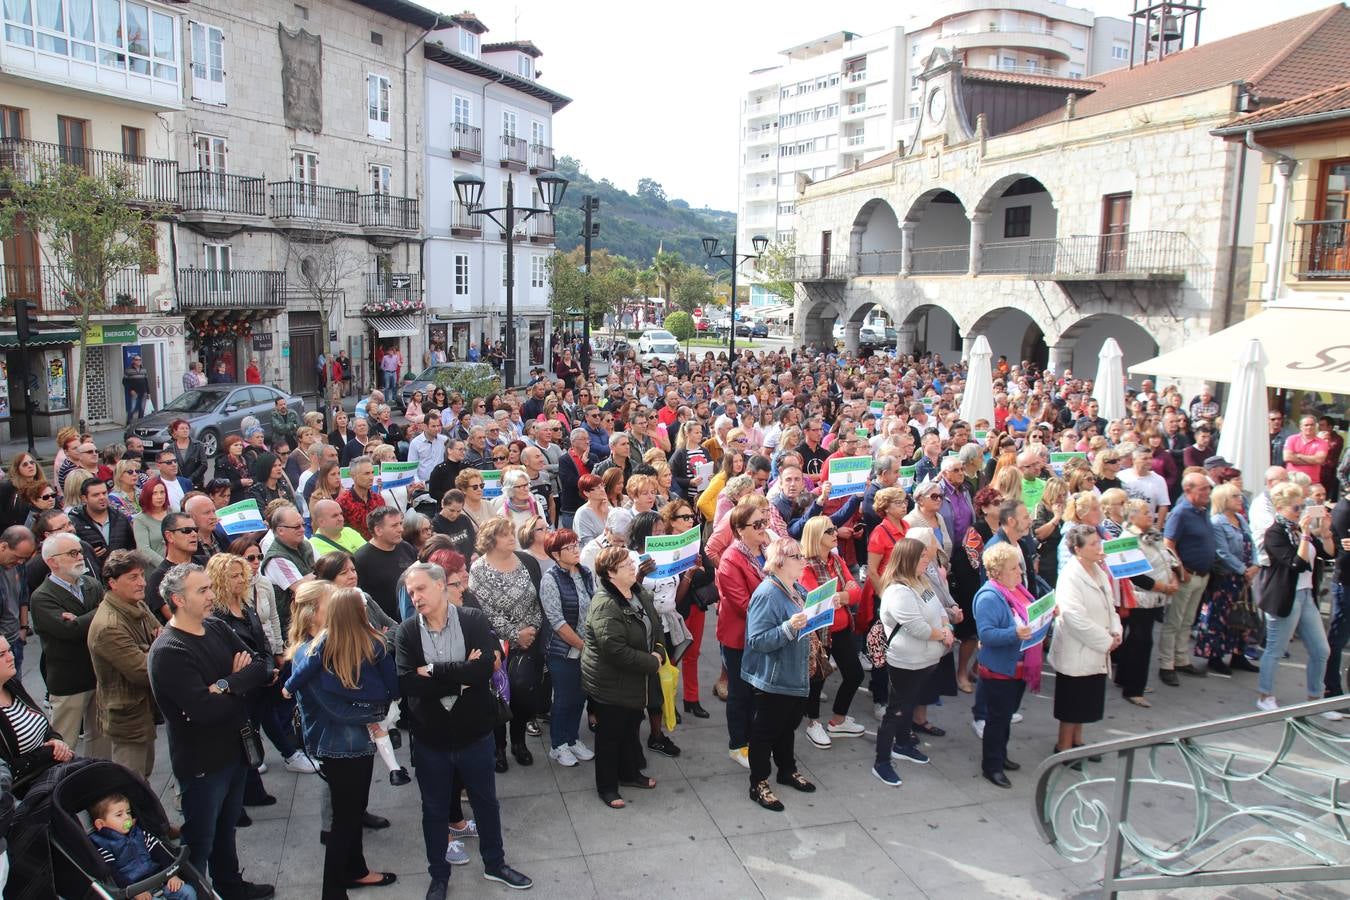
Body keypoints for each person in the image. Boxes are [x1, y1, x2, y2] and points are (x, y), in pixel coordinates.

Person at [395, 562, 532, 896]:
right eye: (411, 592)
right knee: (434, 810)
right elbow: (409, 683)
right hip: (431, 739)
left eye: (421, 589)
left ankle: (495, 864)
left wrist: (434, 671)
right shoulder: (407, 632)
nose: (415, 598)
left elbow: (484, 668)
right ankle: (439, 875)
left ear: (442, 586)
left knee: (486, 803)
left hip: (475, 734)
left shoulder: (472, 618)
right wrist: (459, 679)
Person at [148, 563, 276, 900]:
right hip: (203, 761)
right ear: (177, 599)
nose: (211, 595)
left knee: (226, 826)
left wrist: (222, 686)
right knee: (201, 838)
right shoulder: (169, 651)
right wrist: (236, 684)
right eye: (202, 590)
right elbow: (202, 710)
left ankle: (230, 886)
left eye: (209, 588)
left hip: (234, 748)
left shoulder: (217, 627)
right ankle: (194, 893)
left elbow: (260, 667)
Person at [283, 587, 399, 899]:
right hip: (340, 747)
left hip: (352, 744)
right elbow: (338, 708)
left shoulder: (336, 647)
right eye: (330, 603)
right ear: (311, 614)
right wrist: (376, 712)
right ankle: (333, 891)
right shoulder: (313, 653)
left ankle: (355, 870)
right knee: (345, 819)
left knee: (352, 811)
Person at [580, 545, 662, 810]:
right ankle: (606, 786)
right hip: (611, 684)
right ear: (611, 573)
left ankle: (629, 774)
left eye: (631, 562)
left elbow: (655, 625)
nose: (633, 566)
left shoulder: (638, 592)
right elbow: (614, 650)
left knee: (630, 729)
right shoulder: (605, 604)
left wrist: (659, 650)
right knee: (610, 736)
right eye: (626, 564)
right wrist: (651, 662)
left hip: (635, 681)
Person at [741, 535, 814, 810]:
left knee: (787, 727)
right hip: (773, 678)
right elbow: (757, 640)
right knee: (765, 732)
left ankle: (786, 770)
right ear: (781, 562)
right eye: (798, 556)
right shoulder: (767, 593)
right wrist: (789, 627)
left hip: (794, 674)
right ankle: (758, 782)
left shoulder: (796, 587)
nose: (804, 560)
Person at [468, 517, 542, 772]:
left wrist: (530, 631)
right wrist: (514, 634)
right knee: (497, 695)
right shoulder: (478, 569)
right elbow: (484, 610)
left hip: (530, 639)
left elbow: (538, 599)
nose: (512, 538)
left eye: (512, 533)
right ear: (490, 540)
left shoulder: (528, 561)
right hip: (496, 643)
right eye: (505, 534)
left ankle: (519, 742)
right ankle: (498, 748)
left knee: (523, 694)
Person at [1257, 482, 1336, 713]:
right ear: (1280, 508)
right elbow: (1297, 564)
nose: (1300, 512)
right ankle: (1265, 695)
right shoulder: (1275, 533)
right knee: (1276, 649)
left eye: (1302, 507)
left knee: (1321, 651)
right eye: (1296, 508)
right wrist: (1305, 535)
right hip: (1285, 597)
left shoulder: (1298, 530)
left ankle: (1315, 699)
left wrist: (1326, 532)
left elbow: (1328, 553)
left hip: (1305, 595)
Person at [32, 532, 112, 759]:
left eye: (80, 552)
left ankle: (98, 783)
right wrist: (101, 610)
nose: (80, 557)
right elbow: (69, 631)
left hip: (96, 674)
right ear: (52, 562)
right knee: (64, 745)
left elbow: (108, 621)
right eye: (72, 553)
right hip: (69, 681)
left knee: (102, 740)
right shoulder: (42, 597)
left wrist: (81, 619)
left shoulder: (91, 584)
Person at [86, 550, 160, 777]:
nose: (142, 583)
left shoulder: (137, 604)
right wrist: (154, 649)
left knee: (144, 773)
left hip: (143, 710)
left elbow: (164, 636)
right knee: (131, 783)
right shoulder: (109, 625)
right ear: (112, 582)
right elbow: (143, 671)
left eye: (141, 575)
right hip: (128, 717)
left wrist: (151, 649)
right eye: (133, 577)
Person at [973, 543, 1041, 788]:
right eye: (1014, 569)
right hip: (999, 670)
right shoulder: (989, 597)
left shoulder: (1017, 590)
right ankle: (991, 766)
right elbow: (987, 635)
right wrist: (1016, 634)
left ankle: (1000, 756)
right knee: (997, 719)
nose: (1020, 573)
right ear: (998, 572)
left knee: (1006, 717)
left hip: (1017, 668)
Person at [1051, 525, 1123, 755]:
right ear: (1077, 549)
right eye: (1092, 544)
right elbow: (1073, 617)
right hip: (1077, 649)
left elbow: (1109, 605)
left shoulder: (1097, 570)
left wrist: (1116, 630)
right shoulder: (1071, 575)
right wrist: (1105, 640)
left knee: (1087, 701)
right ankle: (1064, 747)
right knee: (1072, 703)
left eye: (1098, 542)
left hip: (1096, 648)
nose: (1098, 547)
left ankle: (1077, 742)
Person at [798, 516, 865, 749]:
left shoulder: (836, 559)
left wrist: (842, 596)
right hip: (819, 633)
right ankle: (813, 723)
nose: (835, 533)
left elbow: (855, 589)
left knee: (855, 674)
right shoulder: (805, 566)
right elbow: (816, 600)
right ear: (817, 536)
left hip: (843, 629)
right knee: (817, 680)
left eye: (834, 529)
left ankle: (838, 720)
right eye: (829, 531)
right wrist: (841, 594)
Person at [715, 501, 772, 769]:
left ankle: (753, 737)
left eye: (764, 522)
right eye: (757, 525)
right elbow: (744, 605)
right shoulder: (731, 559)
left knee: (757, 692)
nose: (764, 528)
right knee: (741, 693)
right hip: (739, 637)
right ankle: (738, 745)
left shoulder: (766, 550)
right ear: (739, 530)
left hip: (763, 634)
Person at [539, 529, 595, 768]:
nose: (576, 550)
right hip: (562, 650)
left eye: (576, 545)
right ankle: (558, 744)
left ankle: (572, 739)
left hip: (586, 647)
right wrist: (582, 646)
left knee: (580, 696)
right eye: (569, 548)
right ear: (555, 554)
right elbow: (557, 621)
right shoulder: (550, 579)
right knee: (563, 697)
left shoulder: (585, 572)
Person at [1194, 482, 1259, 675]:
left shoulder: (1240, 518)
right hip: (1227, 576)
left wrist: (1255, 565)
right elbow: (1221, 551)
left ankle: (1238, 654)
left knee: (1242, 614)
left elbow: (1252, 543)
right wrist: (1243, 569)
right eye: (1235, 496)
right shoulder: (1217, 522)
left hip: (1243, 576)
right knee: (1219, 617)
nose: (1241, 500)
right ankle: (1215, 656)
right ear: (1223, 500)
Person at [1159, 472, 1216, 686]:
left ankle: (1181, 658)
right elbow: (1169, 544)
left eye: (1208, 489)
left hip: (1201, 575)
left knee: (1187, 620)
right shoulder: (1181, 513)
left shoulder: (1202, 511)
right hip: (1187, 576)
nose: (1207, 493)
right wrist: (1180, 571)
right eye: (1202, 489)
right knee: (1174, 621)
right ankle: (1166, 664)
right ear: (1188, 490)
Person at [87, 792, 196, 900]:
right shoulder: (103, 846)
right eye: (119, 815)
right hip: (135, 891)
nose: (127, 817)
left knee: (188, 892)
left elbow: (161, 853)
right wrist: (134, 891)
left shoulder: (139, 833)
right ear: (101, 824)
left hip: (160, 880)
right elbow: (114, 875)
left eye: (128, 812)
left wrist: (172, 874)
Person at [353, 508, 416, 622]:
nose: (401, 529)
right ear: (378, 530)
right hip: (385, 627)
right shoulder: (361, 559)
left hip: (411, 620)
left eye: (401, 523)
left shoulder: (406, 548)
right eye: (394, 526)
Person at [70, 478, 136, 564]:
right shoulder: (75, 522)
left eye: (104, 493)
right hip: (92, 573)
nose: (102, 497)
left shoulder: (120, 518)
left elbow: (132, 548)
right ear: (84, 498)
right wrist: (87, 555)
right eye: (96, 495)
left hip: (119, 572)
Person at [337, 457, 385, 541]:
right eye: (366, 473)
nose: (371, 477)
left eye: (372, 473)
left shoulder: (378, 499)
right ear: (353, 476)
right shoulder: (342, 502)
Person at [132, 478, 171, 566]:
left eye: (162, 492)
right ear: (147, 495)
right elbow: (143, 549)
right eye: (154, 493)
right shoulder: (140, 519)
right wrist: (166, 566)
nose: (160, 496)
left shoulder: (174, 512)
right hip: (156, 569)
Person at [168, 420, 208, 490]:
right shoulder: (170, 448)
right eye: (182, 428)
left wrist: (191, 478)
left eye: (187, 428)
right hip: (178, 483)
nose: (185, 430)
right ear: (175, 431)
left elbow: (204, 464)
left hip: (196, 483)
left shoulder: (198, 445)